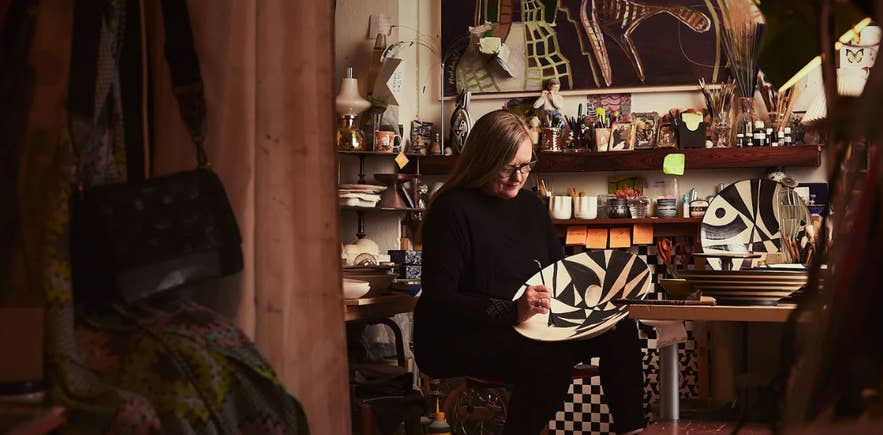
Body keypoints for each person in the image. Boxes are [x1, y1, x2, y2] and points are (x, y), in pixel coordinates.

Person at [413, 110, 646, 435]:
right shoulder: (451, 210)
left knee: (619, 331)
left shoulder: (531, 207)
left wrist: (593, 311)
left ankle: (632, 431)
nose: (519, 176)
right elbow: (441, 301)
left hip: (528, 327)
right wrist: (513, 310)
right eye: (508, 167)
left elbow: (559, 276)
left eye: (526, 165)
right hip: (459, 335)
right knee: (549, 359)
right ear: (483, 160)